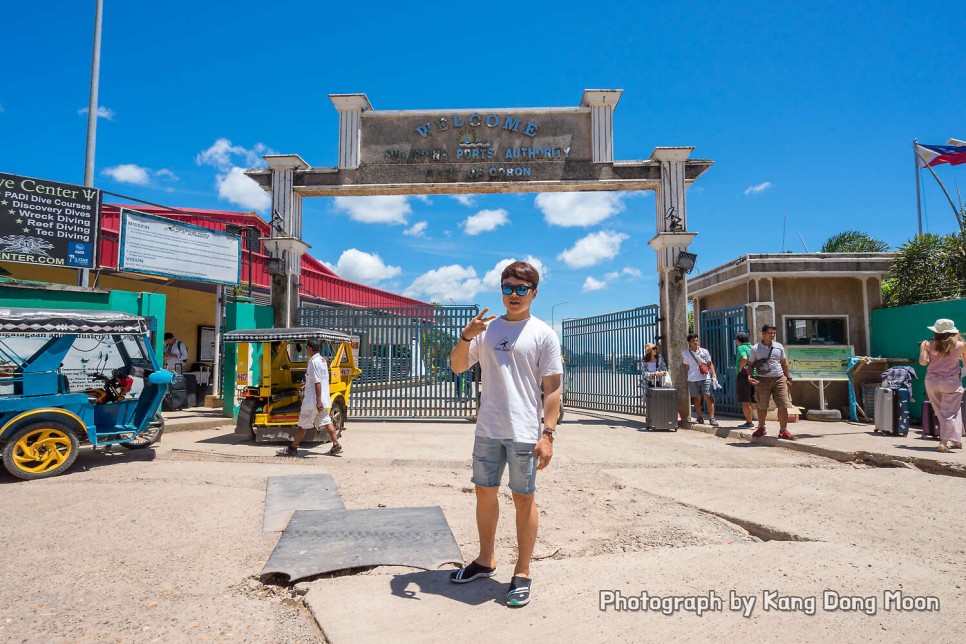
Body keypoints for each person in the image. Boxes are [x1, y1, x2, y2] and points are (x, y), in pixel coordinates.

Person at [448, 261, 562, 608]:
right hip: (487, 428)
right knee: (484, 493)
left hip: (526, 431)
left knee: (523, 497)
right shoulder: (486, 331)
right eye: (508, 288)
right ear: (501, 290)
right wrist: (467, 335)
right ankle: (486, 560)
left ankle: (523, 571)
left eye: (521, 289)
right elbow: (456, 366)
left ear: (534, 293)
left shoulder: (543, 333)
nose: (514, 295)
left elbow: (553, 388)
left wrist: (549, 434)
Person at [276, 338, 342, 457]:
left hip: (313, 403)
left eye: (307, 348)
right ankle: (336, 445)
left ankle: (292, 448)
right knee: (327, 422)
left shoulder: (313, 362)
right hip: (322, 400)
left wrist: (317, 400)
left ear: (310, 349)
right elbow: (317, 380)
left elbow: (317, 382)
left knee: (302, 426)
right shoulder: (322, 360)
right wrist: (307, 385)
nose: (306, 350)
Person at [918, 318, 966, 453]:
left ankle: (956, 439)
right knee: (950, 412)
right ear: (952, 332)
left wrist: (923, 347)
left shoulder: (927, 344)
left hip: (931, 381)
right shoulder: (961, 345)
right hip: (951, 382)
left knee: (941, 412)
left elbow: (922, 362)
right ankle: (943, 442)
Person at [749, 324, 796, 440]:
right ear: (763, 333)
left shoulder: (779, 347)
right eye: (770, 333)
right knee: (762, 405)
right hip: (762, 380)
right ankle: (761, 428)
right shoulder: (755, 349)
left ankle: (783, 431)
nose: (772, 335)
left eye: (774, 333)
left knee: (783, 404)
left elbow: (784, 363)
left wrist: (788, 378)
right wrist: (749, 377)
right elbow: (751, 364)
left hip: (779, 378)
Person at [681, 334, 718, 426]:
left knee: (708, 397)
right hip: (693, 379)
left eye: (696, 340)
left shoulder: (704, 352)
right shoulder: (686, 354)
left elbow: (710, 363)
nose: (695, 342)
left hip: (705, 377)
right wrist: (688, 377)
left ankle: (712, 418)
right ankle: (699, 417)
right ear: (689, 342)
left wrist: (713, 374)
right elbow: (686, 367)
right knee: (697, 399)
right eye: (693, 341)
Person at [735, 332, 756, 429]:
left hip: (744, 376)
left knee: (745, 400)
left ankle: (749, 422)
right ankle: (760, 424)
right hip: (755, 375)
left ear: (738, 341)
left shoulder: (741, 348)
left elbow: (744, 358)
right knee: (755, 400)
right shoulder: (753, 348)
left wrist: (740, 368)